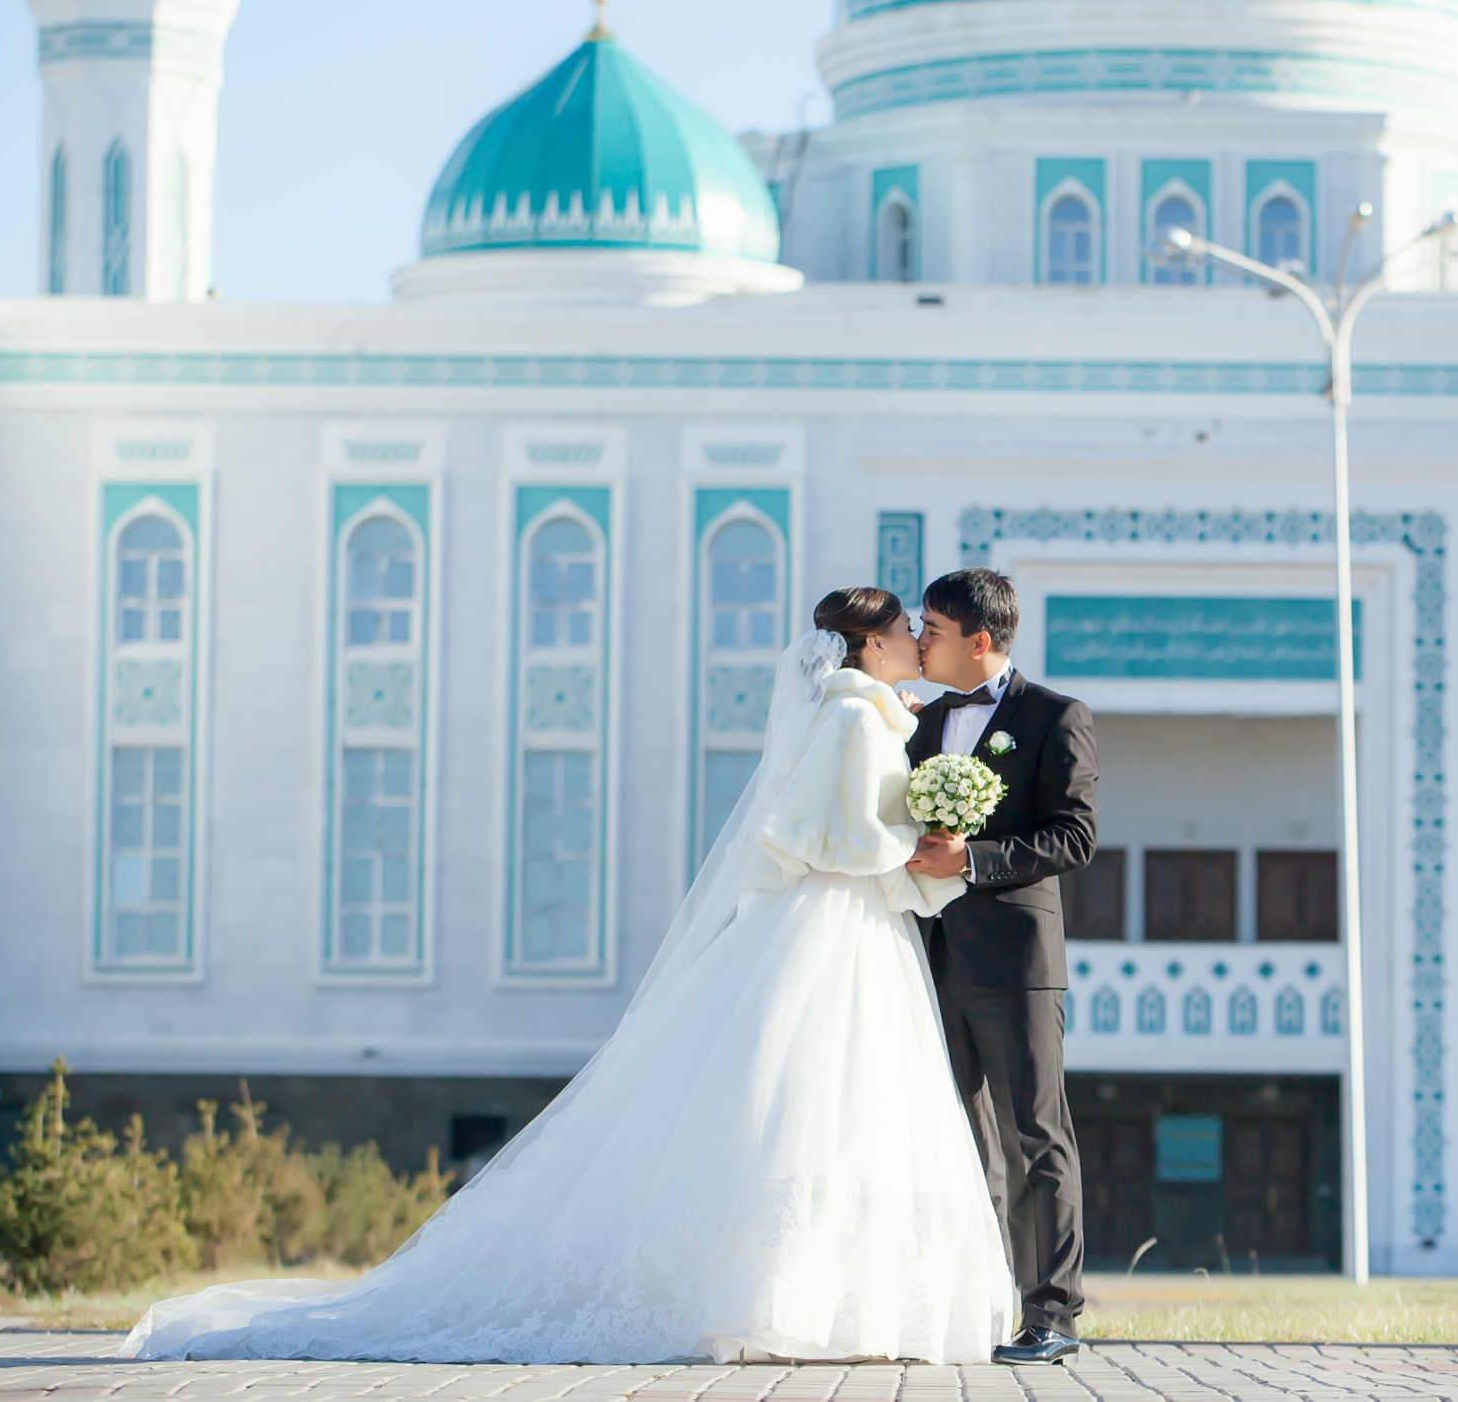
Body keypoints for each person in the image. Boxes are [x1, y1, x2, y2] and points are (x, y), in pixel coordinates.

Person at [122, 589, 1017, 1366]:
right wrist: (918, 848)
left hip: (856, 928)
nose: (914, 636)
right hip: (834, 932)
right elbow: (816, 836)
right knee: (815, 1099)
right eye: (905, 626)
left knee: (835, 1104)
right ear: (869, 645)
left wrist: (915, 859)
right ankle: (783, 1298)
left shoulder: (871, 714)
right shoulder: (857, 717)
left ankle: (816, 1295)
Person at [903, 568, 1096, 1366]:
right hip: (926, 954)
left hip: (1016, 957)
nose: (920, 641)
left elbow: (1074, 836)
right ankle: (972, 1303)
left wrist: (972, 859)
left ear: (979, 641)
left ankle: (1052, 1315)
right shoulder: (922, 722)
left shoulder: (1055, 717)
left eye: (933, 630)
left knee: (1034, 1135)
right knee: (952, 1135)